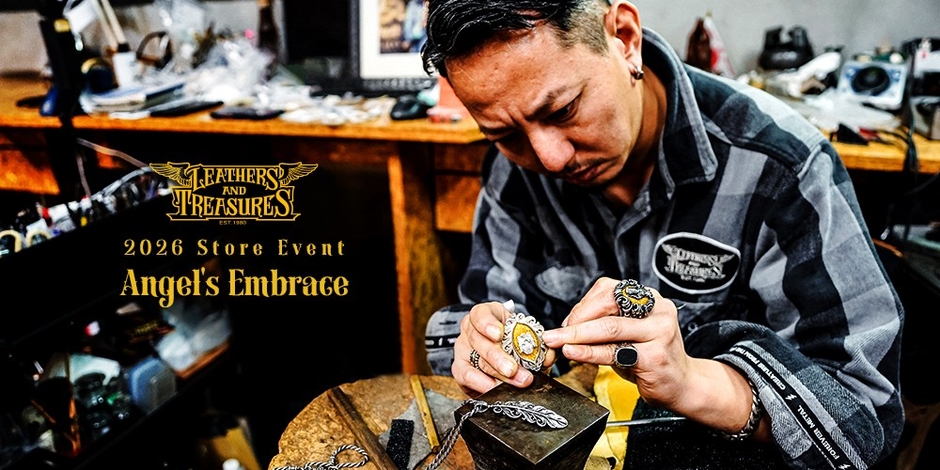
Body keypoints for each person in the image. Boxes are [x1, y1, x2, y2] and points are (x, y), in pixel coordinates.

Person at [420, 0, 905, 469]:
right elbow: (490, 309)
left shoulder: (781, 167)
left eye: (563, 110)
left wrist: (693, 382)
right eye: (504, 135)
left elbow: (865, 419)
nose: (550, 158)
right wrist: (482, 346)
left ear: (625, 38)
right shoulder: (516, 170)